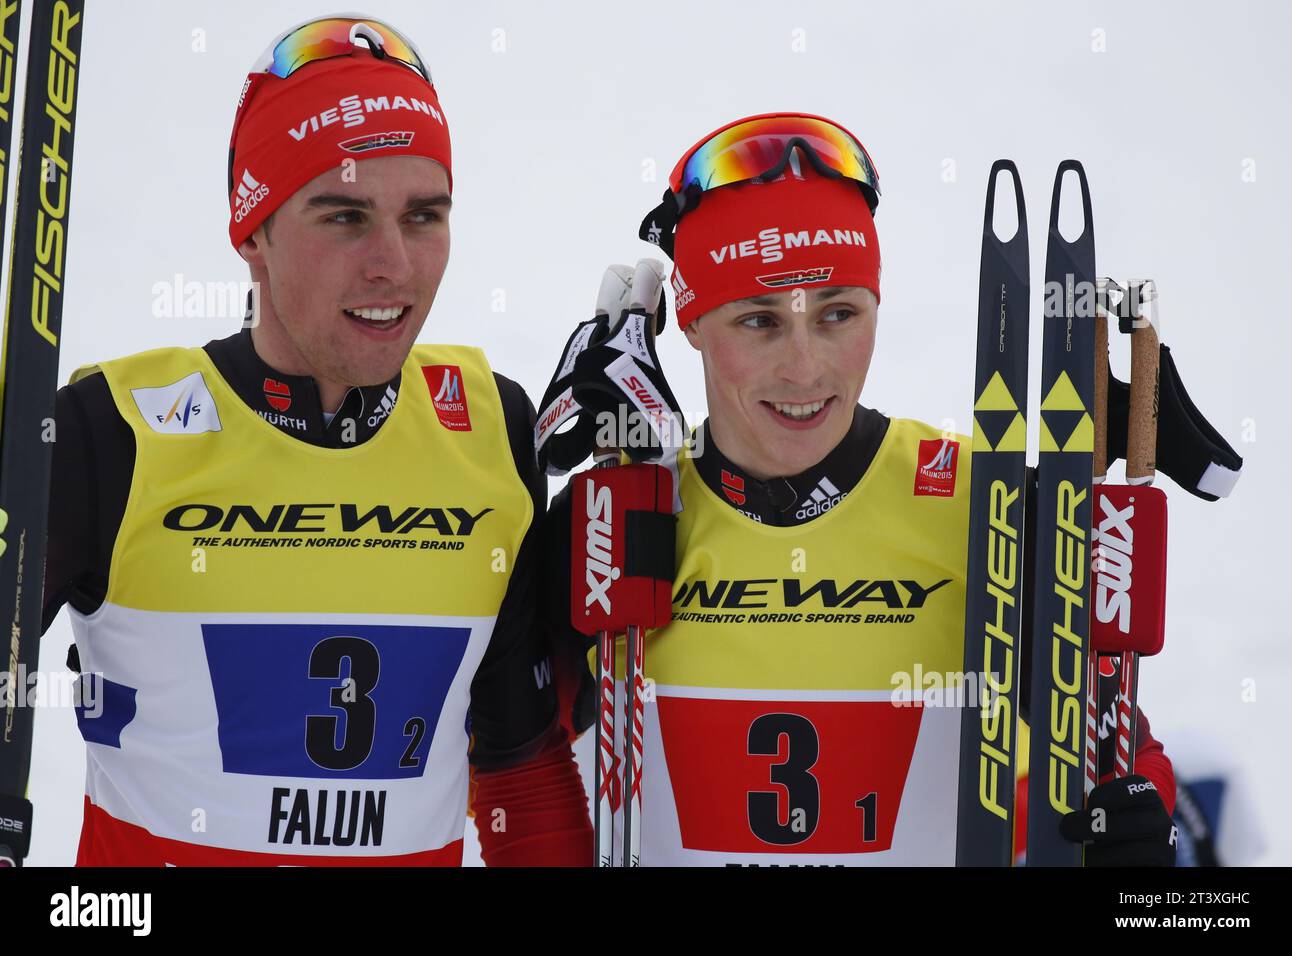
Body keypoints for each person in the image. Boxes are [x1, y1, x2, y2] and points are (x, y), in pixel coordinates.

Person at [545, 113, 1177, 865]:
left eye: (840, 314)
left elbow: (1118, 750)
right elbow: (508, 758)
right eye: (759, 321)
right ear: (691, 322)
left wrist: (1142, 819)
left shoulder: (991, 504)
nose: (806, 369)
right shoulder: (618, 526)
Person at [35, 15, 590, 866]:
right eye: (344, 217)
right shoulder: (110, 432)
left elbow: (518, 762)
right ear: (250, 230)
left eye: (424, 216)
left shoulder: (490, 428)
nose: (393, 265)